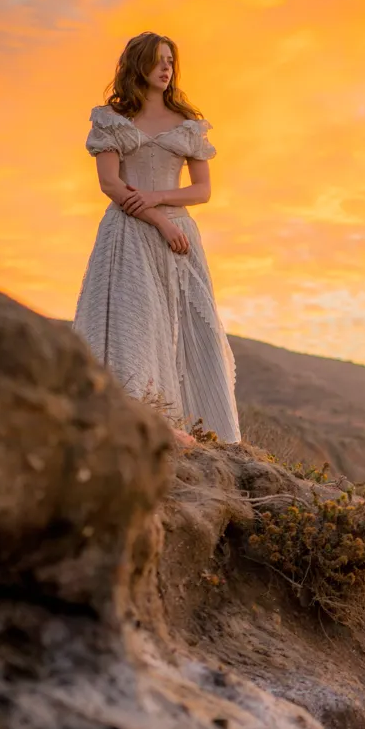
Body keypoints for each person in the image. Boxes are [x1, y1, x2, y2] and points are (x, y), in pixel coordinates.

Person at [72, 32, 240, 445]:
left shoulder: (187, 124)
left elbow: (201, 190)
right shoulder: (112, 120)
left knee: (185, 324)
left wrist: (161, 200)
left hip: (180, 239)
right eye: (157, 60)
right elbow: (111, 184)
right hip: (128, 235)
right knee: (135, 321)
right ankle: (131, 418)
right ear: (138, 65)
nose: (166, 68)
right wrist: (160, 221)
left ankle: (198, 430)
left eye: (170, 60)